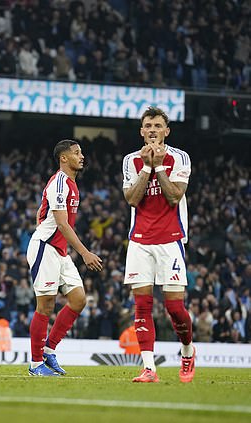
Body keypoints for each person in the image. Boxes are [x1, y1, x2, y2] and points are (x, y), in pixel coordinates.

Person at [122, 106, 195, 383]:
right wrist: (146, 169)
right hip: (139, 240)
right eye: (148, 126)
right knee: (142, 306)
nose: (152, 130)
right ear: (141, 131)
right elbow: (132, 199)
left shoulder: (180, 158)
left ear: (167, 131)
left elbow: (175, 196)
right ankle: (149, 368)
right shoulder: (131, 160)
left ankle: (187, 351)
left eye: (157, 126)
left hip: (171, 239)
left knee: (175, 308)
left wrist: (160, 166)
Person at [26, 139, 103, 377]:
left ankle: (48, 350)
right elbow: (60, 223)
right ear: (64, 158)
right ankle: (36, 363)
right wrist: (84, 252)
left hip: (59, 251)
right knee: (45, 305)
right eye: (76, 152)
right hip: (45, 247)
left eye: (81, 152)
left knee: (79, 300)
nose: (82, 156)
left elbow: (50, 219)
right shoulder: (59, 183)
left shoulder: (72, 184)